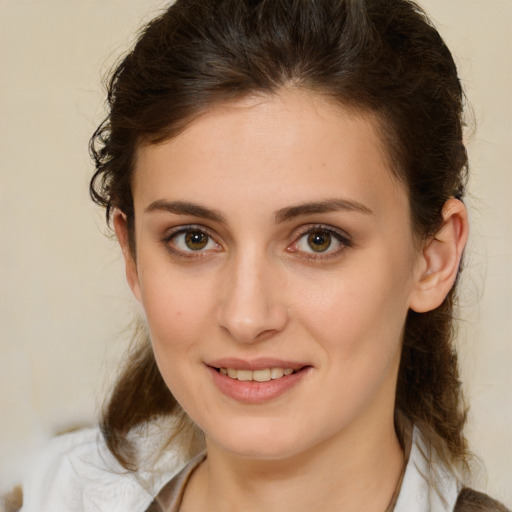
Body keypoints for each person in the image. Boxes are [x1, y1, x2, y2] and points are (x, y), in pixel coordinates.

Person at [16, 0, 510, 511]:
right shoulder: (57, 494)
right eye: (194, 238)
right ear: (132, 253)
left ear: (433, 257)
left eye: (319, 239)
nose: (246, 317)